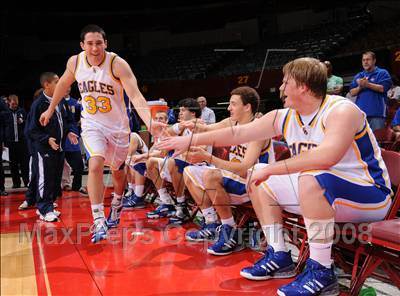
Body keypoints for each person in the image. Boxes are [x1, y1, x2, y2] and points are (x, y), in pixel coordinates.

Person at [157, 57, 392, 296]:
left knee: (307, 175)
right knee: (259, 176)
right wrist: (187, 140)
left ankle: (322, 270)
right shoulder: (286, 115)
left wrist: (274, 168)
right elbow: (237, 132)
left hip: (370, 194)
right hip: (319, 189)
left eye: (285, 81)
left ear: (302, 86)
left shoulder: (342, 110)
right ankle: (279, 254)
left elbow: (327, 157)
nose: (280, 88)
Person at [39, 24, 164, 242]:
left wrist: (150, 122)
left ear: (106, 43)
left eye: (99, 43)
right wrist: (50, 109)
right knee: (95, 163)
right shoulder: (75, 62)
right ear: (82, 45)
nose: (95, 47)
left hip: (118, 127)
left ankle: (117, 202)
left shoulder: (117, 64)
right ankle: (98, 219)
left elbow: (135, 95)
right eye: (90, 43)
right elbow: (62, 86)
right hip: (92, 124)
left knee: (117, 170)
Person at [182, 86, 274, 255]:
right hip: (235, 180)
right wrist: (192, 124)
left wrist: (207, 158)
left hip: (255, 184)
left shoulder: (259, 129)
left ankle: (230, 231)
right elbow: (208, 129)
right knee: (189, 171)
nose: (228, 108)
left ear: (247, 107)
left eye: (233, 104)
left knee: (210, 174)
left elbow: (244, 168)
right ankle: (212, 223)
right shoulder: (232, 122)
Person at [27, 72, 78, 221]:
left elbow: (68, 121)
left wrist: (70, 132)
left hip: (59, 147)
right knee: (45, 178)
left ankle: (48, 205)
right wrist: (46, 139)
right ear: (47, 85)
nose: (60, 84)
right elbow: (31, 130)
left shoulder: (61, 101)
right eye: (56, 82)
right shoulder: (38, 104)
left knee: (55, 179)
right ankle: (43, 209)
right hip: (44, 149)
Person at [349, 51, 392, 131]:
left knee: (377, 141)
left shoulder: (382, 73)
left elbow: (382, 88)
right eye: (363, 60)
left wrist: (367, 84)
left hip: (377, 114)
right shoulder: (359, 75)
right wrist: (360, 87)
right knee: (362, 142)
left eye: (368, 60)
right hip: (361, 115)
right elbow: (352, 92)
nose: (365, 62)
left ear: (374, 61)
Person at [3, 95, 30, 188]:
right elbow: (3, 127)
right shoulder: (5, 113)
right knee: (13, 164)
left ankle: (27, 181)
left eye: (16, 104)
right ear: (9, 103)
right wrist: (4, 140)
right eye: (13, 104)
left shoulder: (21, 111)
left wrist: (23, 121)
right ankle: (16, 183)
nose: (15, 105)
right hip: (10, 143)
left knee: (24, 164)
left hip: (22, 142)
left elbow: (28, 124)